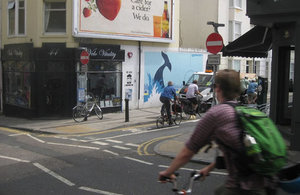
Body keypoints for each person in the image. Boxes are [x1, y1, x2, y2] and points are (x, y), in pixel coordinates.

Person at [159, 69, 275, 195]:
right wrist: (208, 168)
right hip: (264, 183)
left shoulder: (217, 114)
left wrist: (168, 172)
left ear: (218, 88)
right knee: (219, 190)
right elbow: (237, 149)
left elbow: (189, 150)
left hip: (242, 187)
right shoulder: (242, 111)